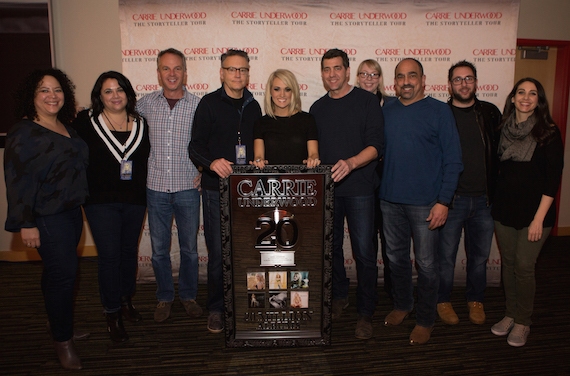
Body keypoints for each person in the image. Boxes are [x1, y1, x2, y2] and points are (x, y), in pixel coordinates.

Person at [4, 68, 89, 370]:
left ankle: (59, 323)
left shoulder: (65, 126)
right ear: (32, 96)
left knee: (59, 274)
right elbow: (17, 181)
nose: (52, 96)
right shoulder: (24, 132)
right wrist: (25, 223)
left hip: (71, 214)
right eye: (44, 90)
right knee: (63, 276)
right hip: (46, 218)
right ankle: (63, 341)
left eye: (57, 90)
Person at [380, 58, 463, 345]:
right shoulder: (386, 110)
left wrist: (443, 201)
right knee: (395, 259)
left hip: (427, 205)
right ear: (394, 81)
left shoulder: (440, 111)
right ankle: (403, 304)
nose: (406, 81)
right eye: (400, 76)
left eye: (412, 76)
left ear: (423, 80)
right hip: (389, 201)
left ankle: (426, 319)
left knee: (427, 265)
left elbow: (454, 161)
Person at [309, 49, 384, 340]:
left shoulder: (367, 101)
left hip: (361, 190)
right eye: (326, 69)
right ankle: (340, 295)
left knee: (365, 254)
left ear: (347, 70)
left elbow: (376, 146)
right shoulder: (317, 108)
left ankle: (366, 311)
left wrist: (351, 163)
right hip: (329, 192)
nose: (332, 74)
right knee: (332, 250)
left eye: (337, 68)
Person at [189, 49, 262, 333]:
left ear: (247, 72)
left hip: (248, 192)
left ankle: (245, 302)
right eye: (232, 69)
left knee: (247, 250)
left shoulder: (255, 105)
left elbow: (261, 142)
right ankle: (217, 308)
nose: (237, 75)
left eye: (242, 69)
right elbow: (195, 146)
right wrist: (211, 163)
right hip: (215, 190)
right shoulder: (208, 104)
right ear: (221, 73)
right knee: (219, 253)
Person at [74, 71, 150, 342]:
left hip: (134, 199)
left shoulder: (141, 122)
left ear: (128, 93)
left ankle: (125, 299)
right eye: (108, 91)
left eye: (119, 89)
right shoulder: (85, 121)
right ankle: (112, 313)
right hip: (100, 201)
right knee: (109, 256)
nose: (115, 95)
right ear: (99, 96)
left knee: (129, 252)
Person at [490, 78, 563, 347]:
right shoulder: (502, 129)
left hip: (537, 215)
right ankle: (510, 313)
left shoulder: (549, 133)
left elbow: (552, 179)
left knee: (523, 266)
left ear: (539, 101)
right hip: (505, 210)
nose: (526, 97)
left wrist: (538, 219)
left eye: (533, 94)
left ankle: (523, 321)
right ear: (512, 98)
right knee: (508, 265)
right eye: (521, 92)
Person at [136, 48, 202, 323]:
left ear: (185, 72)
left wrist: (204, 168)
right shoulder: (145, 104)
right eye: (166, 68)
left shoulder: (199, 106)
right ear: (159, 72)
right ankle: (164, 297)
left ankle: (188, 296)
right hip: (156, 187)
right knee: (160, 250)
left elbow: (208, 141)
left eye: (177, 69)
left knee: (189, 249)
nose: (172, 74)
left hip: (188, 186)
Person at [437, 61, 502, 326]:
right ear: (449, 85)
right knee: (446, 258)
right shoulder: (440, 114)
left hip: (484, 201)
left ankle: (476, 300)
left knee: (479, 258)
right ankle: (443, 300)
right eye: (458, 79)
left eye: (468, 79)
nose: (463, 84)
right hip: (451, 201)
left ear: (476, 82)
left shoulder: (490, 113)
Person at [355, 59, 396, 300]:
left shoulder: (393, 105)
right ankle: (368, 291)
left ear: (380, 78)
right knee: (367, 240)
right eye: (364, 74)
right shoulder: (351, 104)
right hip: (363, 179)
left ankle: (393, 290)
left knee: (391, 239)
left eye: (374, 74)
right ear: (357, 77)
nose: (369, 78)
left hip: (390, 177)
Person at [251, 69, 319, 168]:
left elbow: (314, 153)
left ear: (293, 92)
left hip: (301, 181)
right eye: (277, 89)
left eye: (287, 89)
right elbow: (258, 156)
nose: (282, 94)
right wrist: (258, 161)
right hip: (271, 182)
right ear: (270, 91)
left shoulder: (308, 120)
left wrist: (313, 159)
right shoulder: (261, 123)